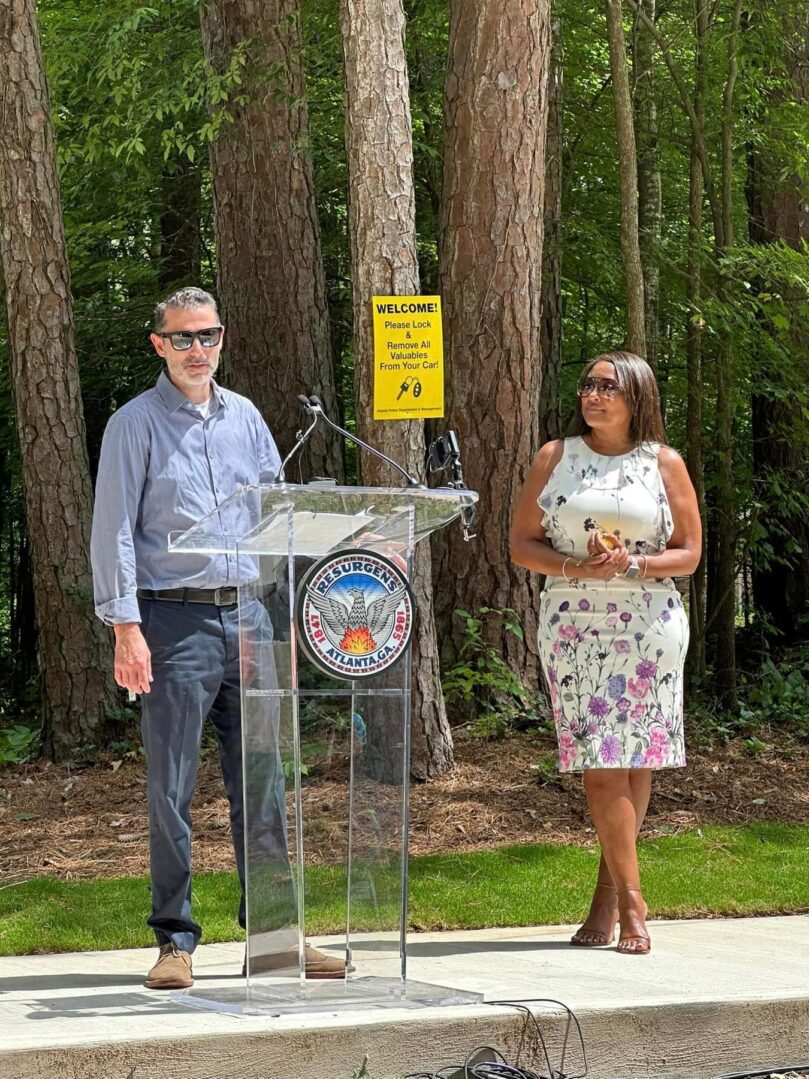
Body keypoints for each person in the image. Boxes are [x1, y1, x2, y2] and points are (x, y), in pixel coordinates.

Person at [91, 286, 347, 988]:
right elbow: (112, 529)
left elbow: (276, 519)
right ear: (159, 345)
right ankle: (175, 941)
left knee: (263, 782)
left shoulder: (247, 419)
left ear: (222, 339)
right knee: (171, 786)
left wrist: (285, 621)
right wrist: (126, 628)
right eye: (182, 338)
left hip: (250, 617)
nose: (196, 349)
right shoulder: (133, 425)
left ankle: (275, 936)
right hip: (171, 621)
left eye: (207, 335)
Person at [511, 351, 701, 954]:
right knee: (601, 757)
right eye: (588, 385)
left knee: (635, 758)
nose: (593, 396)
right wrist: (574, 563)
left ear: (637, 395)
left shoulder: (663, 463)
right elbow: (520, 543)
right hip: (573, 621)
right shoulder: (555, 456)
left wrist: (634, 562)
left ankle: (610, 900)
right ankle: (633, 904)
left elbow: (690, 552)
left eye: (607, 387)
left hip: (649, 622)